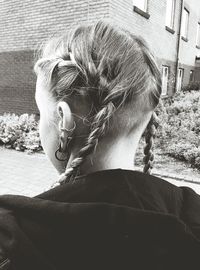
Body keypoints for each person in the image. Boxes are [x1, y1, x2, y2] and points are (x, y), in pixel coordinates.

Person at [0, 20, 200, 270]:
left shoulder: (10, 239)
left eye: (41, 113)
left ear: (64, 121)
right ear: (148, 119)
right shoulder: (191, 215)